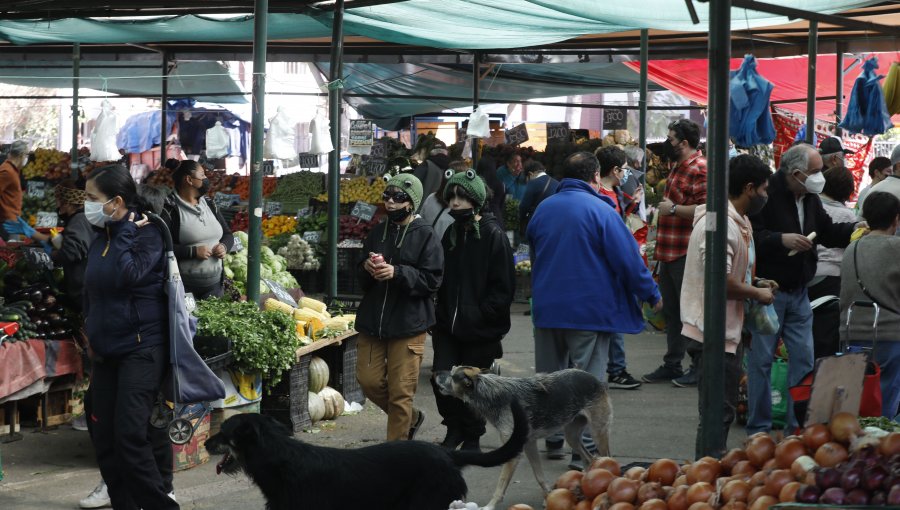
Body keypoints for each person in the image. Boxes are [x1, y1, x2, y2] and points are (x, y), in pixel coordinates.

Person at [527, 151, 661, 469]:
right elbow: (628, 260)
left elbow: (534, 255)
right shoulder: (600, 210)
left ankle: (554, 439)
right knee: (586, 383)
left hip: (547, 308)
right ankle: (583, 452)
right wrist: (651, 293)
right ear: (596, 177)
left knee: (548, 379)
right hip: (587, 310)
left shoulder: (543, 209)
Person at [82, 164, 178, 510]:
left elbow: (128, 275)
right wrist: (88, 328)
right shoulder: (101, 234)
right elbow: (92, 287)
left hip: (142, 346)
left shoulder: (147, 232)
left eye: (93, 198)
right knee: (104, 437)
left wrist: (123, 232)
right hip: (106, 350)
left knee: (129, 436)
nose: (87, 204)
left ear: (116, 201)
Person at [747, 143, 860, 434]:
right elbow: (751, 235)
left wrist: (859, 230)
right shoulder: (765, 194)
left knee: (804, 360)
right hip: (768, 293)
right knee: (761, 362)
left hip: (800, 292)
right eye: (815, 172)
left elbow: (828, 231)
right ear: (796, 173)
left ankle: (797, 429)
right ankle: (758, 429)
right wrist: (781, 239)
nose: (821, 177)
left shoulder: (810, 198)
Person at [680, 154, 777, 457]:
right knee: (716, 414)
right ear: (749, 188)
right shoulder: (721, 225)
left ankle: (707, 470)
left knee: (720, 411)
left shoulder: (738, 221)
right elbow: (718, 282)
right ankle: (704, 473)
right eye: (764, 189)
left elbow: (734, 271)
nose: (766, 195)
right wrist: (756, 294)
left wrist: (755, 282)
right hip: (711, 332)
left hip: (726, 330)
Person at [431, 169, 514, 452]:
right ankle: (454, 430)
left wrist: (481, 315)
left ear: (476, 200)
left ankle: (473, 436)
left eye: (462, 197)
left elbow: (503, 289)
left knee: (469, 385)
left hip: (480, 330)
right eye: (451, 197)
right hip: (447, 327)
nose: (454, 203)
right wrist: (439, 312)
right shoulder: (452, 233)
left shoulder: (493, 235)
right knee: (442, 380)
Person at [356, 173, 443, 441]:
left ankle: (395, 456)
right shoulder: (377, 231)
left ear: (412, 202)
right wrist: (365, 267)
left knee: (400, 392)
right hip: (373, 322)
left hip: (408, 323)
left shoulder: (425, 234)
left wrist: (398, 273)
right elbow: (360, 273)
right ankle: (412, 419)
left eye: (398, 197)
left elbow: (433, 280)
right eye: (387, 196)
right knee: (368, 381)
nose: (391, 203)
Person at [643, 119, 707, 388]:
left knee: (690, 313)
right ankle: (672, 363)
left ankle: (698, 366)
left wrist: (672, 210)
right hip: (668, 251)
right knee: (672, 311)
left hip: (686, 252)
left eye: (670, 139)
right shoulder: (678, 166)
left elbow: (709, 211)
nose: (667, 143)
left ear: (683, 143)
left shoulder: (700, 169)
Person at [841, 191, 900, 422]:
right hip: (889, 334)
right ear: (896, 219)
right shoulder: (896, 247)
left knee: (858, 402)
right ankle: (880, 452)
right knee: (884, 405)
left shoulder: (851, 249)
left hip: (851, 333)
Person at [594, 146, 644, 390]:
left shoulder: (613, 192)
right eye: (624, 169)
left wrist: (632, 204)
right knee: (612, 321)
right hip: (607, 268)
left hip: (613, 267)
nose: (626, 174)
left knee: (614, 320)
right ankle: (616, 370)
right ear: (614, 170)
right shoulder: (598, 197)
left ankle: (616, 368)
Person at [160, 160, 233, 299]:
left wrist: (224, 246)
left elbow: (228, 234)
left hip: (216, 286)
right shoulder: (169, 209)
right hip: (184, 289)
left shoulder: (210, 203)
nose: (206, 179)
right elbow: (160, 246)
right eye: (202, 175)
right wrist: (192, 252)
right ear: (189, 179)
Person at [808, 166, 857, 359]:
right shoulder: (848, 216)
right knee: (825, 335)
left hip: (809, 274)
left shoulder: (811, 206)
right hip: (832, 280)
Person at [419, 160, 464, 240]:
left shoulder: (431, 198)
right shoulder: (462, 207)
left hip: (426, 248)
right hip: (444, 250)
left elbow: (420, 223)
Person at [518, 160, 558, 238]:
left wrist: (521, 220)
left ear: (530, 174)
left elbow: (523, 207)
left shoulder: (533, 183)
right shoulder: (557, 183)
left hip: (537, 224)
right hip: (554, 225)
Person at [0, 140, 28, 236]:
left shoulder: (13, 170)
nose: (26, 158)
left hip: (12, 219)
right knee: (11, 249)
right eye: (26, 155)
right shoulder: (7, 171)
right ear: (21, 155)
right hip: (8, 222)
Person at [477, 157, 506, 228]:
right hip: (496, 217)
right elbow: (501, 203)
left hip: (478, 216)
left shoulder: (476, 183)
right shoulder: (499, 184)